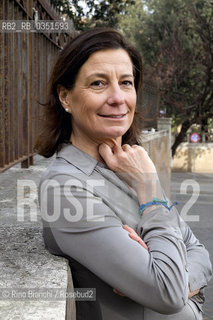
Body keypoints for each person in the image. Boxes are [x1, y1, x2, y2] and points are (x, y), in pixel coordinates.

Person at [36, 28, 212, 320]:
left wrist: (175, 277)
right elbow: (166, 293)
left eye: (126, 83)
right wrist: (151, 191)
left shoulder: (133, 165)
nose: (118, 98)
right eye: (98, 83)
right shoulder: (65, 187)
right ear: (65, 96)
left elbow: (199, 251)